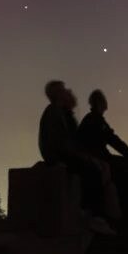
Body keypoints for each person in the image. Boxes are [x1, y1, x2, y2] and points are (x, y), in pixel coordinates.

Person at [38, 80, 114, 234]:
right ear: (59, 94)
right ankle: (94, 216)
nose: (69, 91)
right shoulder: (54, 112)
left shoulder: (64, 113)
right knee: (91, 170)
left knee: (96, 166)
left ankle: (97, 214)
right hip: (59, 157)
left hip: (64, 155)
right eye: (64, 90)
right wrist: (85, 158)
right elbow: (60, 143)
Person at [77, 89, 128, 219]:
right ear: (99, 102)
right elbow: (113, 140)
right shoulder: (95, 120)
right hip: (99, 160)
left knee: (123, 169)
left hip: (98, 158)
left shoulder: (92, 119)